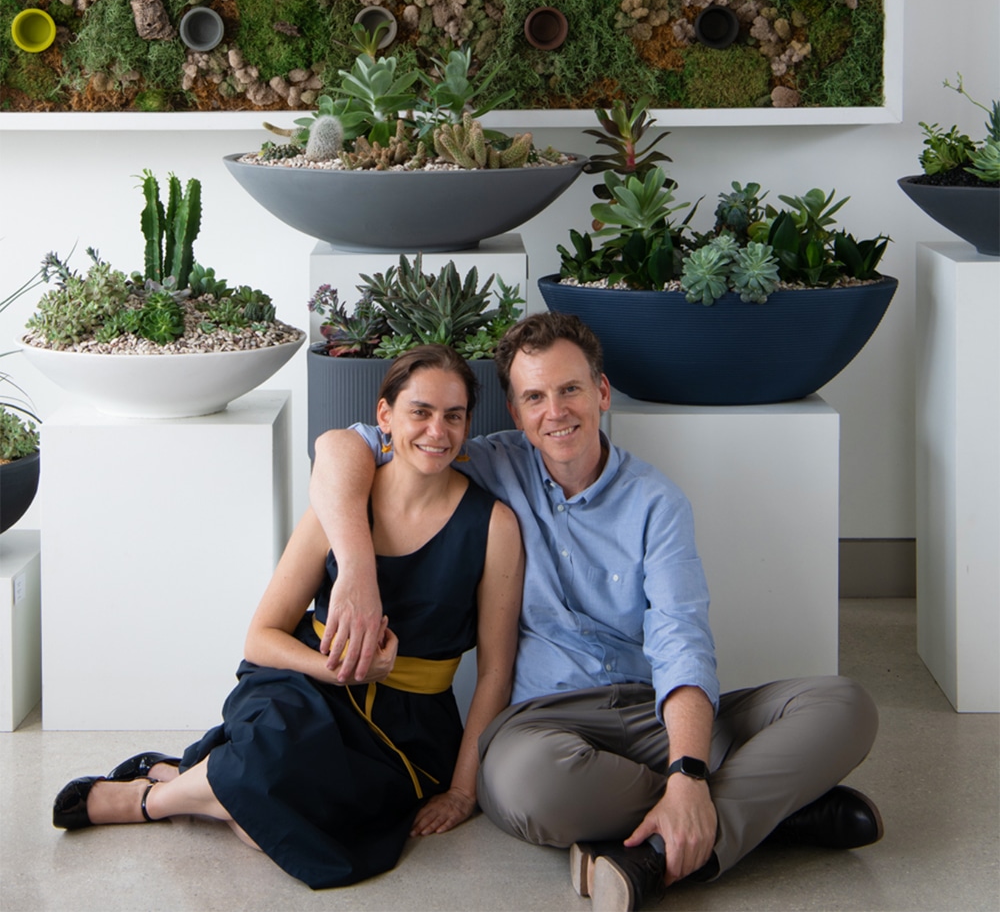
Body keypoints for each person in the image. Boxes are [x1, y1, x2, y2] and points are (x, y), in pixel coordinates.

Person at [309, 312, 883, 912]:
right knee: (526, 788)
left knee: (843, 705)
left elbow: (681, 640)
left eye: (570, 390)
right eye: (534, 397)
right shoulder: (483, 464)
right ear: (515, 412)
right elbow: (339, 446)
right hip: (542, 726)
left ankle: (658, 850)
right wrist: (356, 570)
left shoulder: (656, 503)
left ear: (602, 393)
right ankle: (767, 812)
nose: (554, 412)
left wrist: (686, 767)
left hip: (650, 712)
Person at [51, 345, 524, 891]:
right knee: (279, 762)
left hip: (411, 730)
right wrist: (339, 670)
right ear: (385, 416)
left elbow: (494, 672)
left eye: (454, 415)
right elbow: (260, 637)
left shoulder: (494, 527)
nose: (437, 431)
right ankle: (148, 801)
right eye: (420, 411)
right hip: (304, 686)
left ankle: (195, 780)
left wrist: (463, 791)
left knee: (274, 828)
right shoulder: (342, 502)